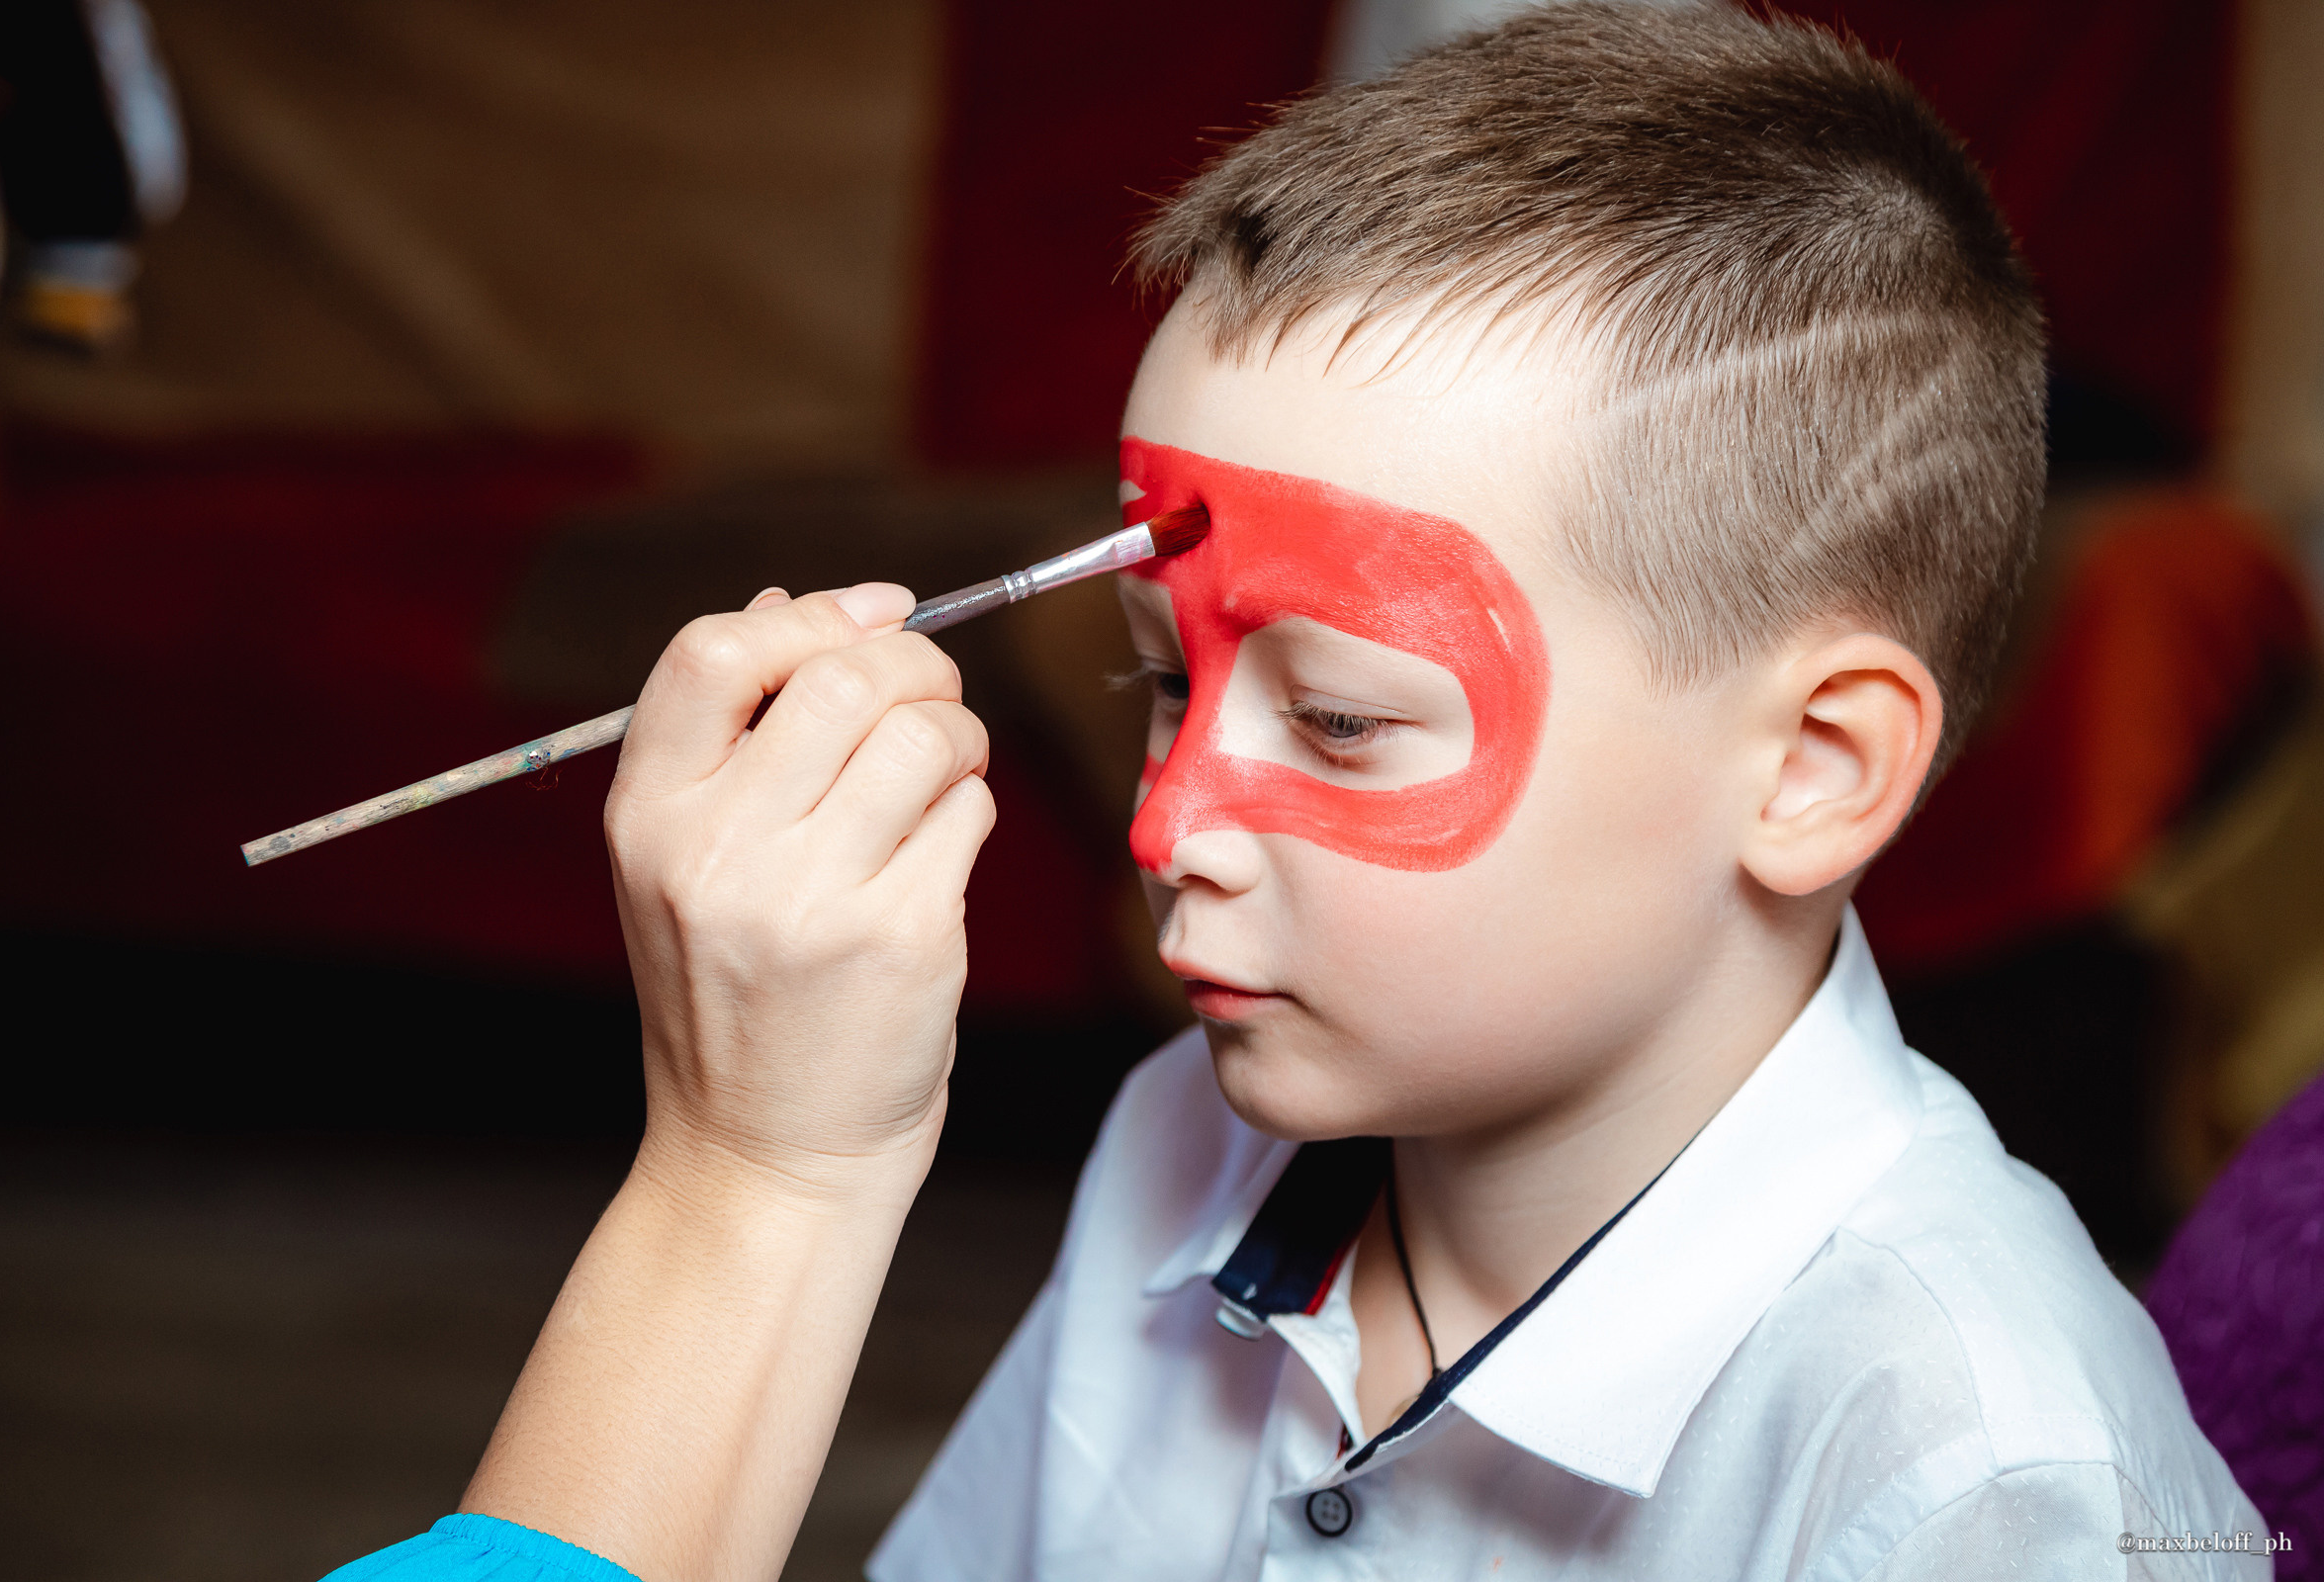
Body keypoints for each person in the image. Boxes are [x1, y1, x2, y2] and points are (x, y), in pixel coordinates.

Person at [334, 5, 2265, 1580]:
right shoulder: (1187, 1143)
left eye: (1340, 720)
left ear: (1816, 766)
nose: (1167, 823)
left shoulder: (1984, 1471)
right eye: (1164, 680)